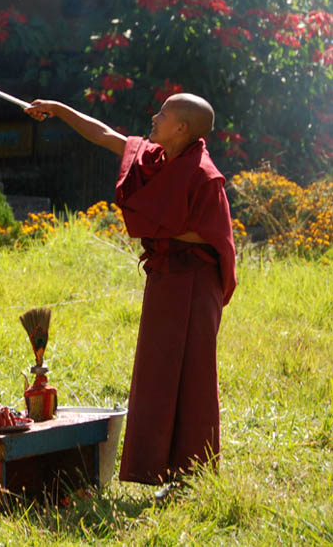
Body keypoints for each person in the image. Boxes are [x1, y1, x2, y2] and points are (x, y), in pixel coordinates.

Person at [25, 93, 237, 498]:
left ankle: (192, 475)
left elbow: (213, 238)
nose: (153, 118)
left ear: (183, 128)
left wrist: (156, 225)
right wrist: (59, 107)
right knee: (156, 373)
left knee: (191, 376)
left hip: (195, 283)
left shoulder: (205, 176)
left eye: (163, 114)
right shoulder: (154, 158)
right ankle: (157, 471)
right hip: (165, 279)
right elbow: (103, 134)